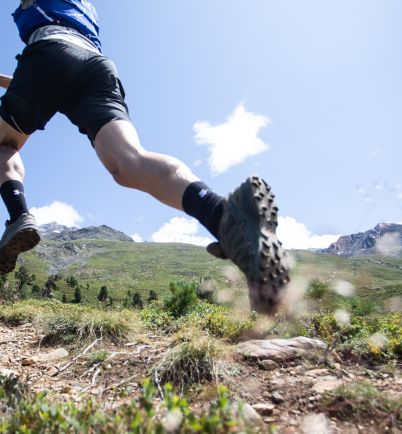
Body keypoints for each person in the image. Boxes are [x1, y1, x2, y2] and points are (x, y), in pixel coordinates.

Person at [0, 0, 290, 313]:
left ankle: (18, 216)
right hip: (95, 66)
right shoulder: (83, 10)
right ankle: (228, 221)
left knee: (5, 146)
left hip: (49, 53)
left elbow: (49, 67)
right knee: (130, 163)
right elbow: (59, 70)